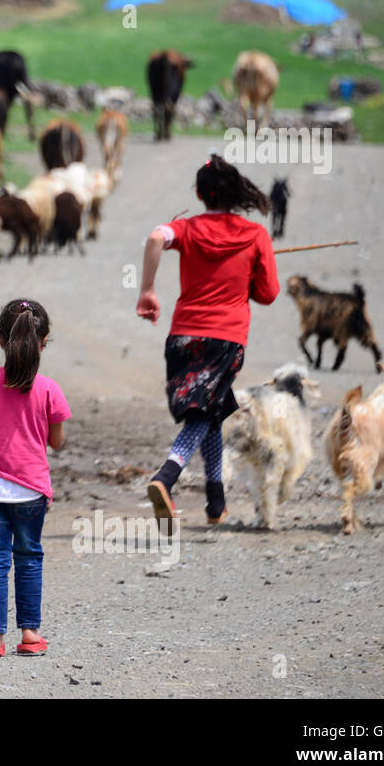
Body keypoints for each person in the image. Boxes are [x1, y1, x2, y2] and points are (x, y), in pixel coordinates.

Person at [136, 155, 279, 525]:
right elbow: (268, 294)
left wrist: (147, 291)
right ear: (235, 193)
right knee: (203, 412)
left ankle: (216, 502)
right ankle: (166, 477)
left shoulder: (187, 229)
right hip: (225, 340)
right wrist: (250, 270)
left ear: (200, 194)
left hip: (183, 337)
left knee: (211, 409)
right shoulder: (256, 235)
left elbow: (155, 237)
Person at [0, 299, 70, 659]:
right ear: (44, 341)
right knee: (29, 557)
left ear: (0, 340)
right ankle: (31, 634)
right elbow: (57, 442)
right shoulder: (49, 390)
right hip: (31, 492)